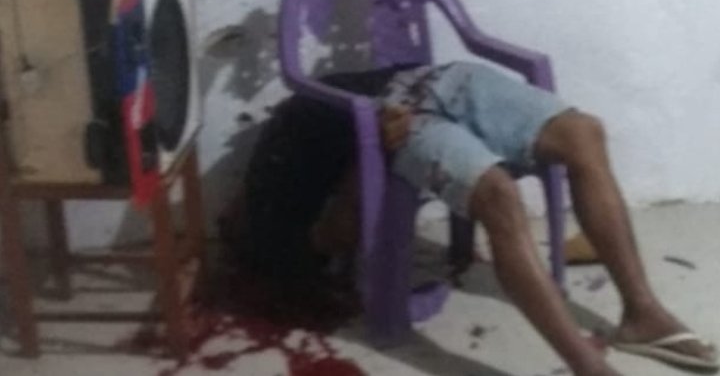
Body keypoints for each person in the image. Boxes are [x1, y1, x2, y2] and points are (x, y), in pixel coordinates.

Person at [238, 62, 717, 376]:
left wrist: (374, 122)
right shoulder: (280, 228)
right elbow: (343, 228)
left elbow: (337, 223)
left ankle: (642, 312)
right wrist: (372, 137)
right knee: (499, 196)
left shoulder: (281, 155)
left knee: (584, 132)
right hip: (398, 124)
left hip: (435, 78)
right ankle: (588, 367)